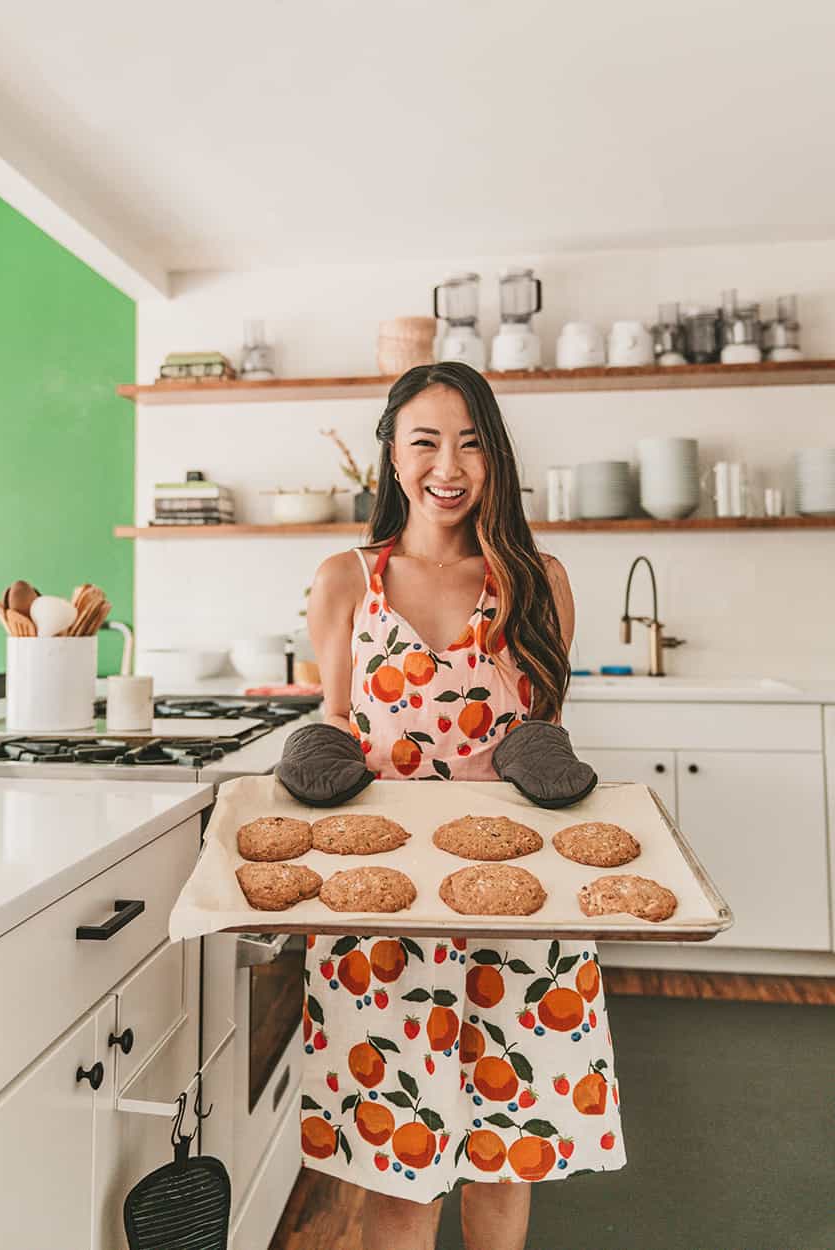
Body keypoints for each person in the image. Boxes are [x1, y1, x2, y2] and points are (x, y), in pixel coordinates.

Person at [302, 362, 625, 1250]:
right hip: (383, 914)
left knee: (505, 1160)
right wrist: (315, 773)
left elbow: (543, 732)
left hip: (518, 902)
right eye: (426, 441)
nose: (450, 464)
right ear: (393, 457)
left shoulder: (537, 579)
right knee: (400, 1172)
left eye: (473, 442)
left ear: (497, 458)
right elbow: (336, 722)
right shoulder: (344, 580)